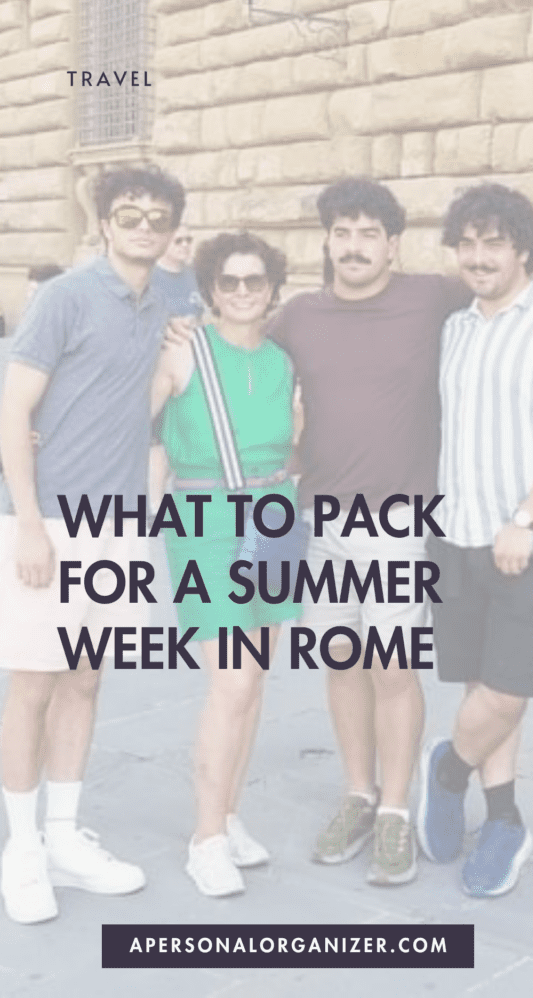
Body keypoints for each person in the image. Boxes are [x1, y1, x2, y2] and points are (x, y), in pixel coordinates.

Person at [266, 176, 533, 888]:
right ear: (326, 242)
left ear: (393, 244)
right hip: (343, 523)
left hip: (421, 526)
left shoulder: (436, 300)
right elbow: (239, 340)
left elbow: (520, 290)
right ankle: (365, 795)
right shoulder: (311, 314)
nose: (353, 246)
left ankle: (410, 799)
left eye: (368, 233)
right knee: (347, 661)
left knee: (412, 671)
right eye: (341, 234)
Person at [0, 164, 185, 924]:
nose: (143, 225)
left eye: (157, 216)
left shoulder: (164, 301)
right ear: (105, 222)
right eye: (129, 214)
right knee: (33, 685)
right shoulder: (64, 296)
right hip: (50, 524)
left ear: (172, 228)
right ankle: (21, 850)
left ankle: (66, 836)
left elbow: (132, 397)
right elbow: (14, 408)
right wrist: (30, 520)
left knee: (84, 679)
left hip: (118, 527)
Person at [418, 183, 533, 897]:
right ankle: (505, 819)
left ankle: (447, 770)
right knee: (483, 683)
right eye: (468, 243)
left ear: (524, 250)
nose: (479, 257)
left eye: (494, 243)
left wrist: (529, 517)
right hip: (455, 531)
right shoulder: (454, 325)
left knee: (508, 691)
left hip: (530, 540)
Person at [151, 231, 300, 898]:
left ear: (272, 288)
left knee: (257, 679)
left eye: (255, 280)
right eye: (230, 281)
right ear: (211, 289)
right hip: (205, 521)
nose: (243, 292)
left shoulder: (283, 360)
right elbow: (138, 425)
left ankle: (230, 814)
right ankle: (205, 839)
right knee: (232, 683)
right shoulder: (183, 349)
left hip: (275, 516)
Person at [151, 222, 203, 318]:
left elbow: (207, 317)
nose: (185, 245)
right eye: (178, 241)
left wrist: (213, 334)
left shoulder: (196, 273)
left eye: (188, 240)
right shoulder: (148, 279)